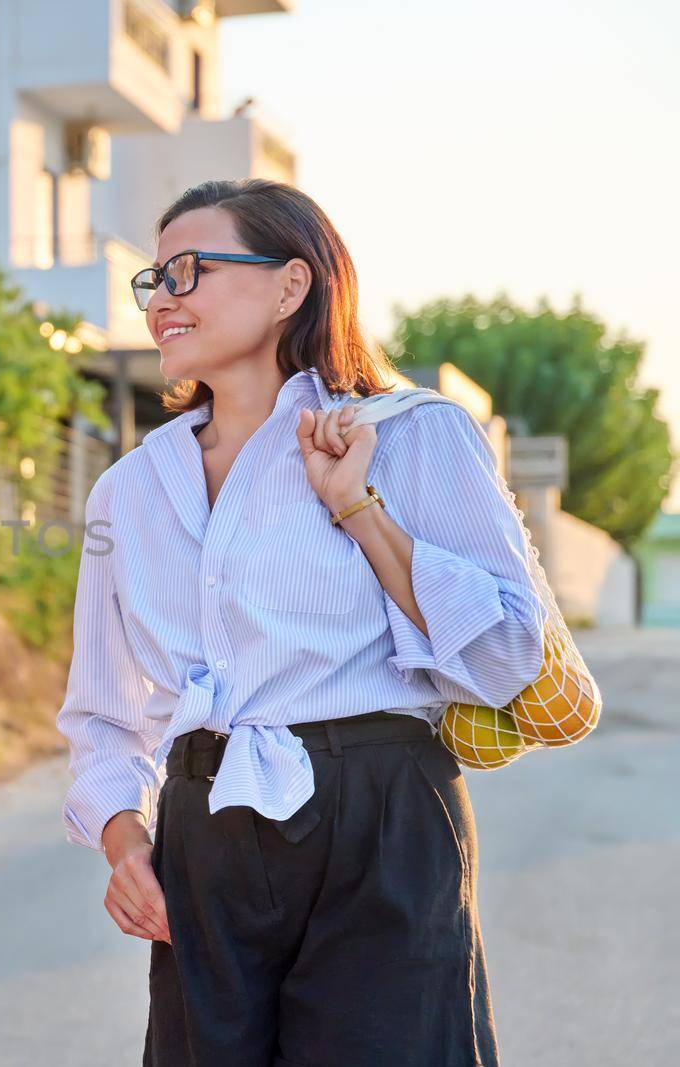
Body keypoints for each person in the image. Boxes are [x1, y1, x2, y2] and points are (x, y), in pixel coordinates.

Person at [57, 178, 546, 1066]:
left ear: (291, 286)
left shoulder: (413, 433)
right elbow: (102, 714)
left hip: (380, 813)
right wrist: (125, 841)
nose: (163, 298)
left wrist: (357, 505)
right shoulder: (128, 489)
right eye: (154, 278)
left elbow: (509, 653)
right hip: (205, 822)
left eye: (191, 270)